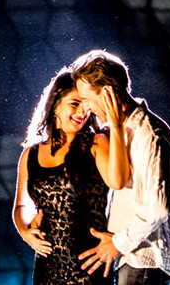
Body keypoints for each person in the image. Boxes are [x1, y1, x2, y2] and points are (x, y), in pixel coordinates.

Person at [13, 65, 130, 285]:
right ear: (55, 104)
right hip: (47, 267)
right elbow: (21, 207)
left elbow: (118, 181)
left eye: (86, 106)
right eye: (75, 104)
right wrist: (25, 232)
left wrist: (115, 126)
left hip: (88, 265)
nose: (82, 113)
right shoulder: (30, 155)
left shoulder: (97, 143)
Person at [71, 50, 170, 284]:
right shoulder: (124, 131)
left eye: (88, 98)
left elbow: (159, 207)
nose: (87, 108)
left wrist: (117, 243)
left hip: (143, 260)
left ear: (108, 92)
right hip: (130, 259)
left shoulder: (150, 134)